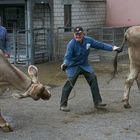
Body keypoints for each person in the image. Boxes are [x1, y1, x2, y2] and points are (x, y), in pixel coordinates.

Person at [60, 26, 121, 112]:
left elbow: (100, 45)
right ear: (74, 35)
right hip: (73, 66)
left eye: (80, 34)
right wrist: (65, 64)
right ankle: (63, 104)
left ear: (83, 34)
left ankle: (98, 102)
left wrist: (113, 48)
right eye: (76, 34)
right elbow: (67, 56)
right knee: (70, 82)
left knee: (93, 78)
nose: (78, 36)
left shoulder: (88, 40)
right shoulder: (71, 44)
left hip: (84, 65)